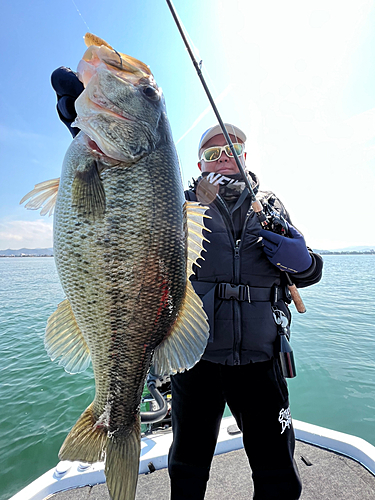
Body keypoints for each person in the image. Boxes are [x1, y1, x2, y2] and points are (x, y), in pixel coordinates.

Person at [51, 68, 323, 500]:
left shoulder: (271, 206)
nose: (223, 159)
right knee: (188, 468)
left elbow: (306, 275)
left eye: (231, 150)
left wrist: (304, 260)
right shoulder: (178, 205)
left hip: (261, 359)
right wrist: (81, 128)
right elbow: (126, 211)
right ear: (198, 165)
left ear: (245, 157)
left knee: (278, 473)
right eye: (212, 155)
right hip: (196, 363)